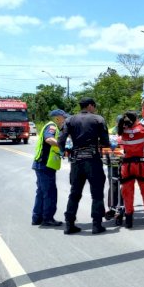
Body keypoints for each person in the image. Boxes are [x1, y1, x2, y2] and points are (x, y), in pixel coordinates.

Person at [57, 97, 112, 235]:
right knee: (97, 194)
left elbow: (61, 139)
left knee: (74, 193)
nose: (94, 108)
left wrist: (63, 151)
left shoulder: (69, 120)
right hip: (92, 160)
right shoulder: (98, 119)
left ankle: (69, 224)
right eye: (94, 106)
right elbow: (105, 141)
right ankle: (96, 225)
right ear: (89, 106)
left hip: (76, 161)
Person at [116, 110, 144, 228]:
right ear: (135, 119)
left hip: (127, 166)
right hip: (140, 165)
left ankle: (129, 220)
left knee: (127, 193)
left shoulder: (122, 132)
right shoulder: (142, 130)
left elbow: (119, 142)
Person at [31, 109, 68, 227]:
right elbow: (49, 139)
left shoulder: (54, 127)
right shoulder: (52, 127)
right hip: (45, 165)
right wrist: (62, 144)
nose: (65, 121)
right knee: (50, 192)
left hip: (42, 164)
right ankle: (47, 218)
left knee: (41, 192)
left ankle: (37, 218)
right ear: (58, 118)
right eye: (64, 118)